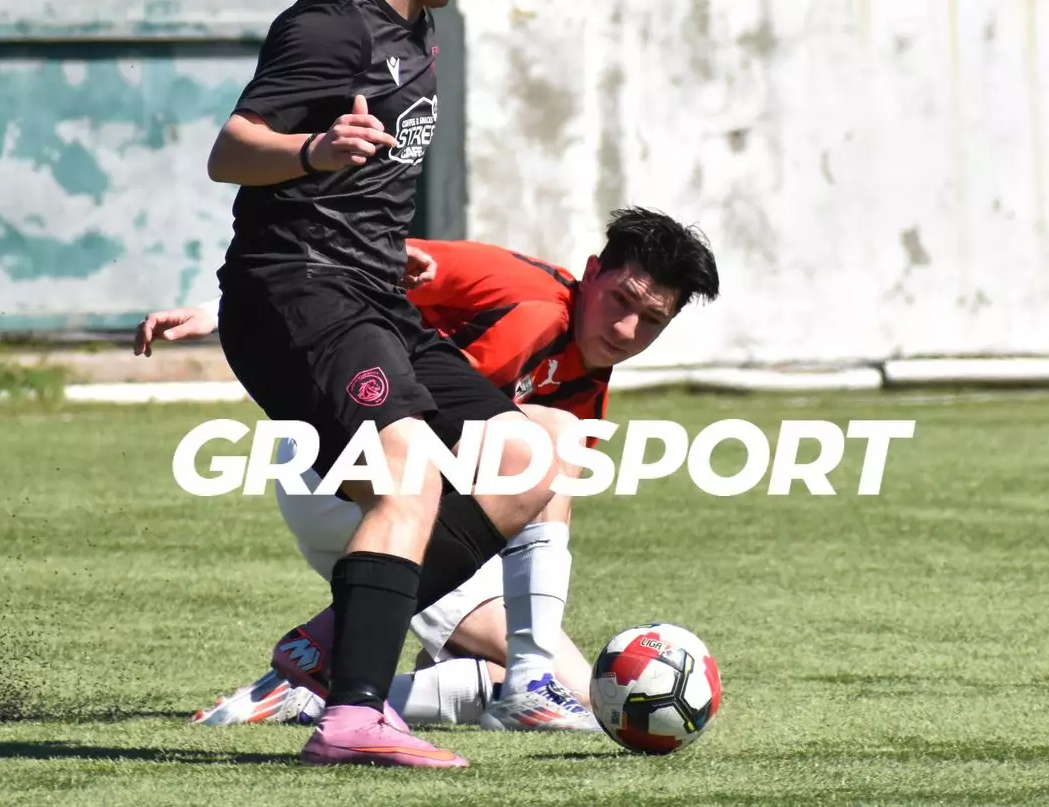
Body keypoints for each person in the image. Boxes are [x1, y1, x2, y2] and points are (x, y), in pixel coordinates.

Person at [205, 0, 582, 769]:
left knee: (536, 450)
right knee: (406, 466)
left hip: (372, 293)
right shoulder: (330, 25)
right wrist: (312, 152)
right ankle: (352, 718)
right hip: (302, 292)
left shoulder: (418, 28)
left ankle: (332, 641)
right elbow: (231, 148)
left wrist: (388, 245)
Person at [136, 209, 722, 731]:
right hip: (345, 463)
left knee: (585, 697)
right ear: (592, 272)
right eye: (621, 299)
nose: (626, 329)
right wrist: (221, 310)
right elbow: (348, 265)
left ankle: (317, 691)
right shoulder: (517, 286)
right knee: (550, 445)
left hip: (419, 508)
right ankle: (356, 653)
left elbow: (522, 514)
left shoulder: (587, 388)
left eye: (652, 319)